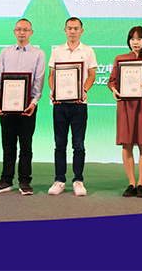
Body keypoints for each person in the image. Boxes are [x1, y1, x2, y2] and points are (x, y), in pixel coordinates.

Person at [0, 18, 46, 195]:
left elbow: (39, 80)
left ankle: (25, 182)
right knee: (8, 145)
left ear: (31, 33)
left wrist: (34, 103)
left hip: (27, 107)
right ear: (14, 32)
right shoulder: (5, 52)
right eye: (19, 29)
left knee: (26, 146)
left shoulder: (38, 54)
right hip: (6, 106)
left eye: (25, 30)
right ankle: (5, 181)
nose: (22, 33)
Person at [47, 17, 97, 196]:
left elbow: (92, 75)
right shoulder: (57, 51)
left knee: (79, 144)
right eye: (69, 28)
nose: (73, 31)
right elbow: (51, 75)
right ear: (65, 30)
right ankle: (59, 180)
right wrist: (53, 91)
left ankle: (78, 180)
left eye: (76, 28)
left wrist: (84, 90)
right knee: (60, 144)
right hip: (60, 104)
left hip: (79, 104)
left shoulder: (88, 51)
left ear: (81, 31)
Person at [108, 26, 142, 198]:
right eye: (132, 38)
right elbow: (112, 81)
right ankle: (131, 183)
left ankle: (141, 183)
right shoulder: (120, 59)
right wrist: (114, 90)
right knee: (127, 144)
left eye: (139, 38)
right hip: (125, 105)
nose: (135, 42)